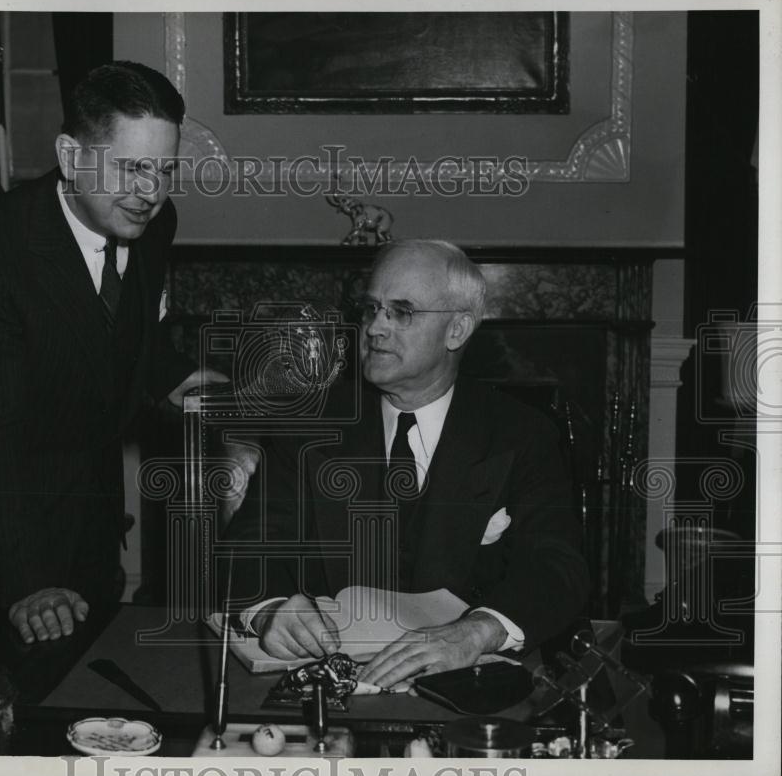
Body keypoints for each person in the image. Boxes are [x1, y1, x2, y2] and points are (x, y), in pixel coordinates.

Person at [0, 61, 222, 647]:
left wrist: (178, 376)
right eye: (132, 168)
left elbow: (122, 332)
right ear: (70, 156)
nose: (149, 193)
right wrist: (28, 582)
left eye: (164, 171)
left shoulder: (153, 225)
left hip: (91, 528)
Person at [223, 240, 589, 689]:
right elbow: (247, 544)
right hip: (330, 686)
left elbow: (558, 565)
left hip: (461, 688)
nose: (375, 327)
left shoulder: (521, 433)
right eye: (371, 309)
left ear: (457, 330)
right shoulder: (310, 424)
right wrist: (270, 609)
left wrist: (477, 632)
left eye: (402, 312)